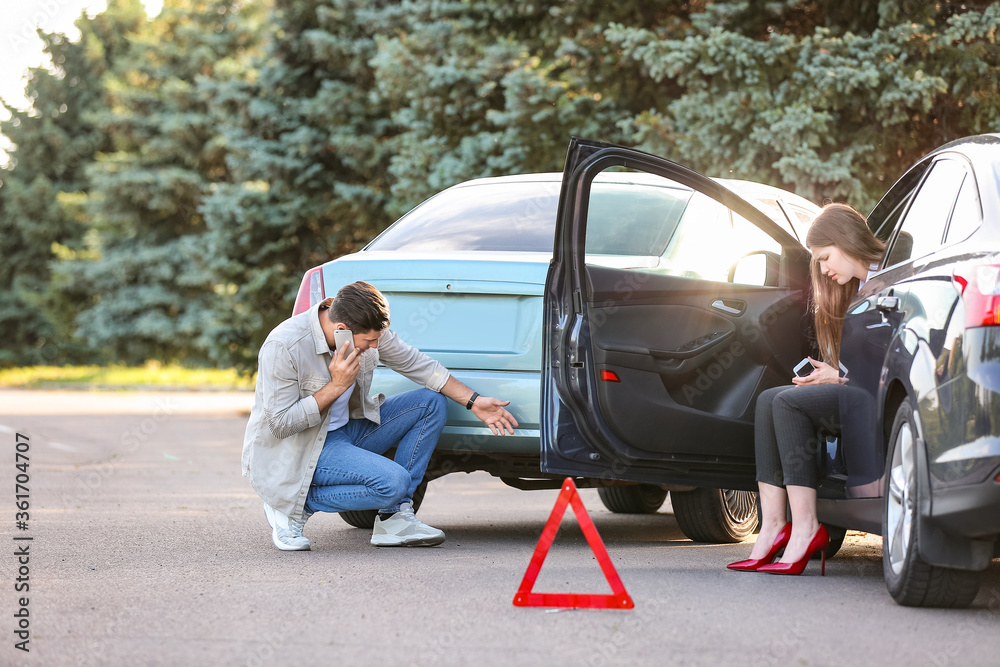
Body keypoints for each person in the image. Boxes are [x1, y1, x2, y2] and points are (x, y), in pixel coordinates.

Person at [242, 280, 518, 551]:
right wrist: (336, 386)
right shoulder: (285, 346)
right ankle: (291, 505)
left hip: (348, 433)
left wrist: (474, 401)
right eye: (370, 342)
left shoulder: (363, 329)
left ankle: (394, 518)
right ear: (342, 330)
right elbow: (280, 424)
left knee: (430, 402)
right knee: (394, 482)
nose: (376, 347)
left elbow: (416, 364)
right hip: (300, 449)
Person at [727, 203, 885, 575]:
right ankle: (772, 526)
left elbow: (889, 363)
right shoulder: (855, 287)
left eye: (826, 257)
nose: (824, 269)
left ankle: (807, 527)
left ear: (847, 242)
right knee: (769, 399)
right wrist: (835, 371)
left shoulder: (887, 281)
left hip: (874, 398)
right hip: (857, 389)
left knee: (789, 406)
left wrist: (839, 377)